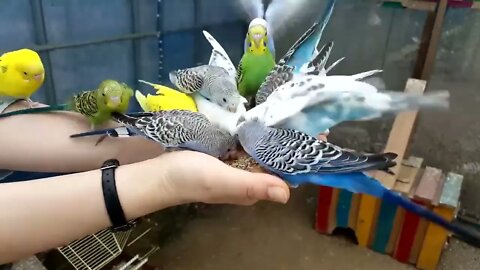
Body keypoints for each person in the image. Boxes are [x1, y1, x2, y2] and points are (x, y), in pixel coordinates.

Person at [0, 99, 298, 264]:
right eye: (230, 151)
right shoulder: (207, 138)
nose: (232, 155)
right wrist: (162, 181)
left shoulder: (212, 134)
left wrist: (143, 146)